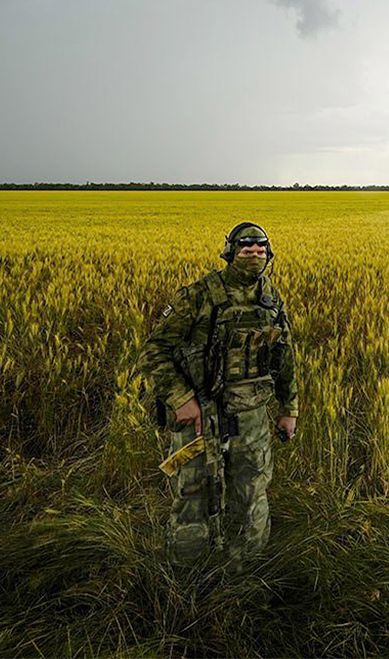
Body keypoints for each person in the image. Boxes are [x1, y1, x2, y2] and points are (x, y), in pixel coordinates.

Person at [143, 222, 298, 568]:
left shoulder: (271, 299)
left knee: (251, 494)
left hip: (252, 419)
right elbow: (154, 351)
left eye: (260, 251)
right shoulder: (199, 295)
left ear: (269, 256)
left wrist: (289, 408)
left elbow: (285, 355)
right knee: (193, 497)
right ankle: (187, 577)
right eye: (246, 249)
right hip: (200, 418)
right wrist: (182, 399)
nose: (254, 256)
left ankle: (244, 575)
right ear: (230, 252)